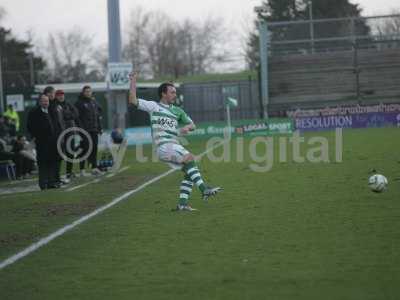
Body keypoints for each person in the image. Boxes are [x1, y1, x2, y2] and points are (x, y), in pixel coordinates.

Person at [128, 72, 221, 212]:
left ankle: (182, 204)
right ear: (163, 94)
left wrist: (187, 128)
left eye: (175, 92)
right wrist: (133, 81)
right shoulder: (153, 107)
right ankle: (204, 189)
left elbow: (193, 125)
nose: (175, 95)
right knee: (190, 159)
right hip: (164, 146)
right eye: (172, 92)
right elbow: (133, 100)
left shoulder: (178, 111)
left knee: (190, 171)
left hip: (174, 145)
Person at [27, 94, 59, 190]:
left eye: (47, 101)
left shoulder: (51, 111)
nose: (46, 103)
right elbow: (30, 126)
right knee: (43, 163)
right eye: (44, 101)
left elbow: (55, 125)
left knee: (51, 162)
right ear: (40, 102)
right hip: (41, 142)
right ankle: (43, 184)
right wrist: (36, 136)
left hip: (52, 142)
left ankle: (51, 182)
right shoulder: (34, 112)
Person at [75, 85, 103, 176]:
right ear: (83, 93)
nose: (88, 93)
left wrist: (99, 127)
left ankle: (94, 168)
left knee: (94, 148)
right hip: (84, 130)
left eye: (89, 91)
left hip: (94, 129)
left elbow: (98, 114)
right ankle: (82, 169)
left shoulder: (93, 102)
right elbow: (77, 118)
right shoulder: (79, 103)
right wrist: (80, 129)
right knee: (85, 149)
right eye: (86, 91)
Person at [44, 86, 67, 185]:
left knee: (59, 158)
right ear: (47, 94)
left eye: (53, 93)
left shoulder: (56, 105)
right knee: (54, 159)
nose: (53, 95)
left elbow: (61, 119)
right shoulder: (47, 106)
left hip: (61, 135)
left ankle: (57, 178)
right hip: (53, 137)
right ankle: (52, 180)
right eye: (51, 93)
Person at [55, 89, 79, 179]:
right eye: (59, 95)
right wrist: (68, 115)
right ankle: (57, 173)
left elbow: (76, 114)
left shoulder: (68, 104)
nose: (61, 96)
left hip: (70, 131)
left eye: (62, 94)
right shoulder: (55, 105)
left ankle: (69, 172)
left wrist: (66, 115)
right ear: (56, 96)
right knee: (59, 154)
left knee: (70, 152)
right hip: (60, 132)